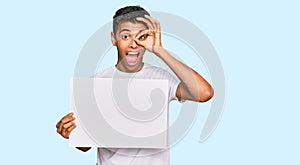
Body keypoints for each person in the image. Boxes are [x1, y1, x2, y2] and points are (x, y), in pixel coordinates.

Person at [56, 5, 214, 165]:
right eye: (125, 36)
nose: (133, 44)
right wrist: (72, 133)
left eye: (141, 37)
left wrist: (159, 50)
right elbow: (85, 146)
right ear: (113, 39)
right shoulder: (94, 84)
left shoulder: (161, 78)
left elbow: (204, 93)